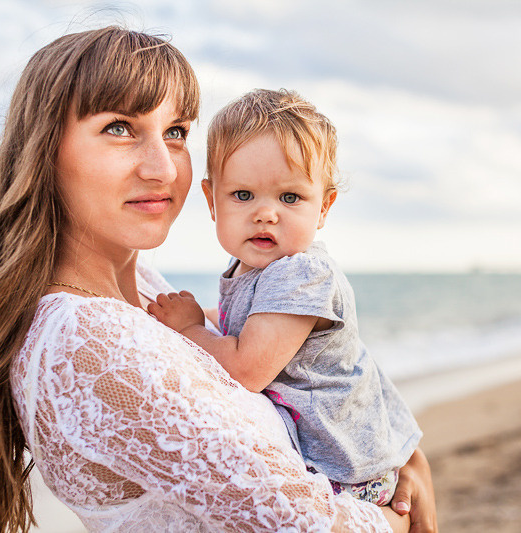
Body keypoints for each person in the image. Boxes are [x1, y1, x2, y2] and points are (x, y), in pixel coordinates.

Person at [0, 26, 437, 532]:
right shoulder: (88, 341)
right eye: (119, 128)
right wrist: (398, 515)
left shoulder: (139, 285)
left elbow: (330, 352)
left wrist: (405, 453)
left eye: (176, 133)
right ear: (43, 150)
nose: (164, 170)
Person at [148, 88, 423, 506]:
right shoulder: (252, 265)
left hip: (346, 472)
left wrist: (189, 327)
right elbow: (247, 320)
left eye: (290, 198)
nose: (266, 213)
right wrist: (198, 315)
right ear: (212, 200)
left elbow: (246, 369)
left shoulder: (300, 273)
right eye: (243, 195)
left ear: (324, 207)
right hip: (329, 458)